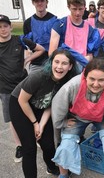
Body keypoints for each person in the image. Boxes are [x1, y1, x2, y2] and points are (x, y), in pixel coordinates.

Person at [51, 58, 104, 178]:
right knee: (65, 146)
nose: (96, 84)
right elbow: (58, 106)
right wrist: (62, 123)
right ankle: (63, 175)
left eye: (101, 80)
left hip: (103, 116)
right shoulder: (72, 86)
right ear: (85, 76)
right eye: (92, 79)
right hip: (77, 117)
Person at [9, 49, 78, 178]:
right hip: (20, 104)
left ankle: (51, 168)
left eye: (64, 63)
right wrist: (35, 123)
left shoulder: (67, 82)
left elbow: (50, 104)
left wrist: (41, 124)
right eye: (56, 62)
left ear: (70, 66)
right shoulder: (38, 76)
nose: (59, 66)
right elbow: (22, 101)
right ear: (51, 62)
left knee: (48, 143)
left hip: (41, 107)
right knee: (29, 148)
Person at [0, 14, 45, 163]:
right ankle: (19, 145)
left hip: (23, 85)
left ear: (10, 27)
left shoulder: (19, 40)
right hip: (5, 88)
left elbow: (40, 49)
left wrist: (27, 59)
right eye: (0, 27)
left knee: (31, 112)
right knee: (14, 119)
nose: (3, 29)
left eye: (5, 26)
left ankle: (37, 137)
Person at [49, 0, 100, 66]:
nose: (78, 13)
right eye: (74, 9)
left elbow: (91, 53)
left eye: (80, 9)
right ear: (68, 7)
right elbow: (52, 52)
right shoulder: (59, 25)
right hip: (64, 66)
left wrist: (88, 58)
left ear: (85, 8)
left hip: (82, 66)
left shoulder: (90, 28)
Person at [23, 0, 58, 72]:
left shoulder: (55, 20)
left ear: (46, 2)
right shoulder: (28, 23)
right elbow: (27, 47)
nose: (39, 3)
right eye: (36, 1)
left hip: (52, 62)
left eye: (42, 1)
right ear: (33, 3)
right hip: (36, 63)